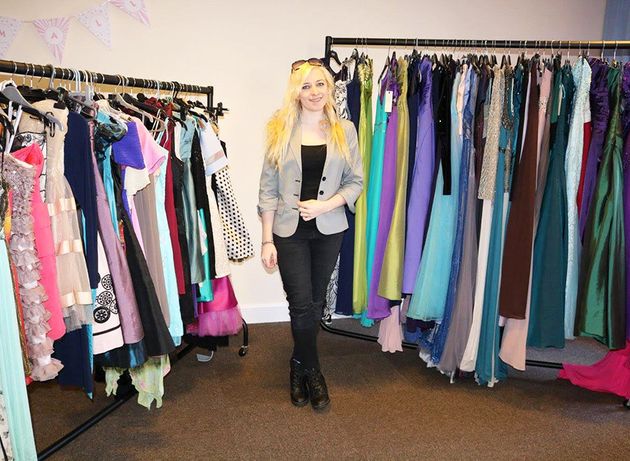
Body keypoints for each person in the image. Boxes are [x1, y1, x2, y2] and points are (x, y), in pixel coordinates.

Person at [257, 58, 363, 410]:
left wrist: (326, 205)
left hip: (329, 228)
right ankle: (312, 370)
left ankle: (298, 363)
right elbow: (268, 189)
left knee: (315, 303)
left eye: (320, 84)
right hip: (289, 232)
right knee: (300, 302)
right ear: (296, 92)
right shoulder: (279, 129)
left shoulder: (344, 130)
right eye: (306, 86)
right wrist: (267, 239)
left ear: (329, 88)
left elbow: (355, 182)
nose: (314, 92)